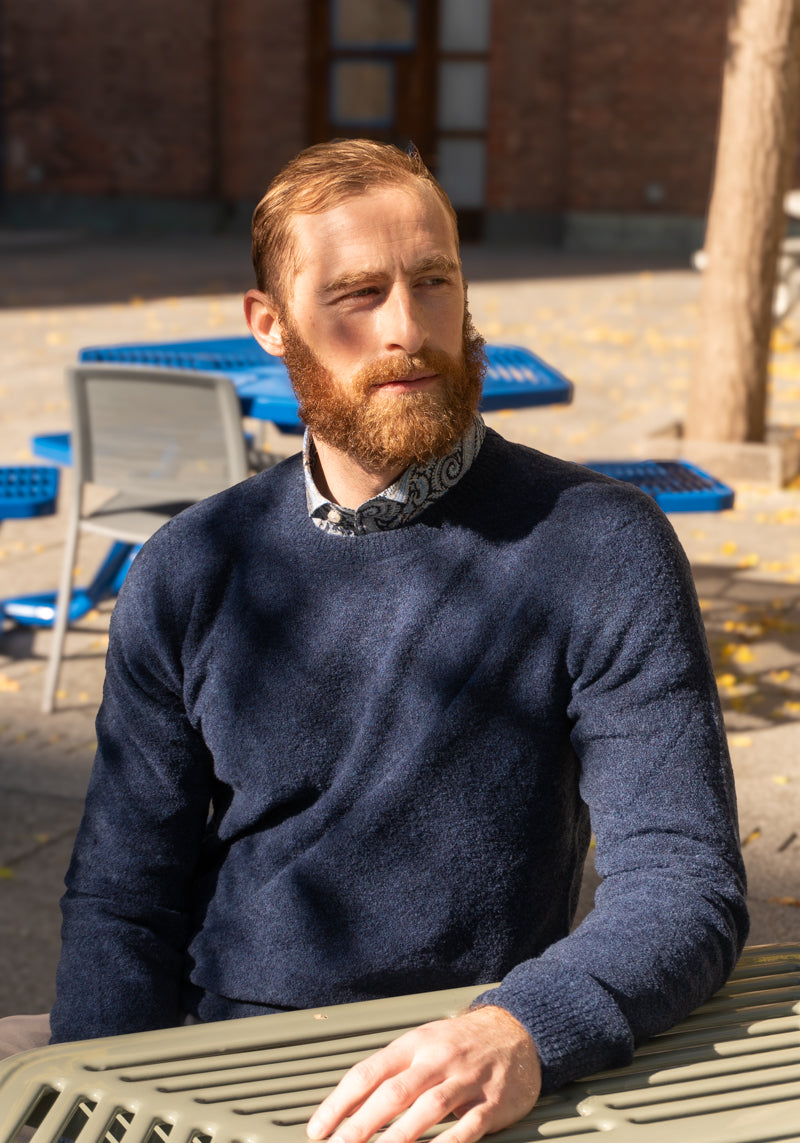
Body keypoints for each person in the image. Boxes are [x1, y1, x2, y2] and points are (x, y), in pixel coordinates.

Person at [5, 140, 748, 1143]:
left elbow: (681, 880)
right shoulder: (190, 563)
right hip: (213, 1063)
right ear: (267, 324)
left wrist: (523, 1029)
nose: (407, 330)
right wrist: (99, 1100)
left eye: (434, 282)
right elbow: (123, 901)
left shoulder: (597, 543)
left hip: (453, 1068)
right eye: (355, 295)